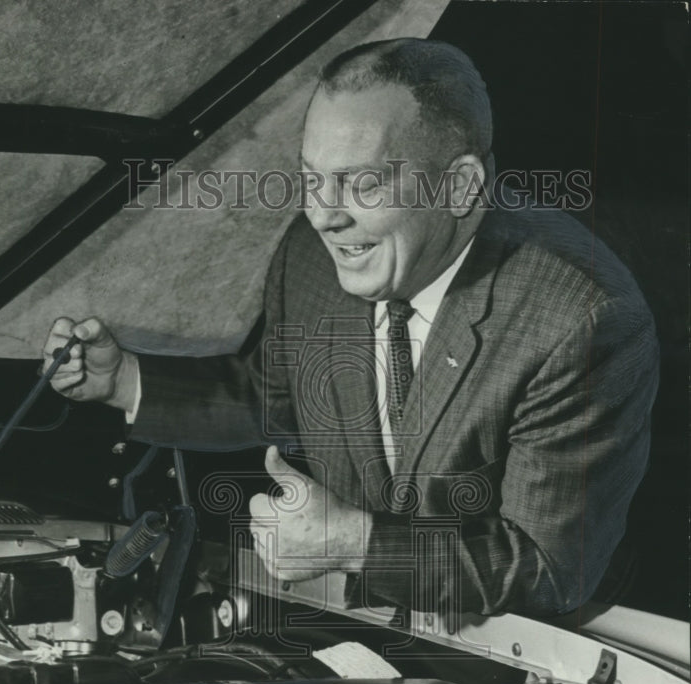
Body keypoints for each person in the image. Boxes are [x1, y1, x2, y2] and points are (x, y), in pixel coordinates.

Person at [42, 38, 658, 618]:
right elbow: (279, 397)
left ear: (461, 187)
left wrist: (354, 542)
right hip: (373, 634)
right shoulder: (313, 256)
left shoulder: (581, 320)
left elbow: (548, 569)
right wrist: (124, 381)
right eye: (312, 178)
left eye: (362, 183)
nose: (323, 215)